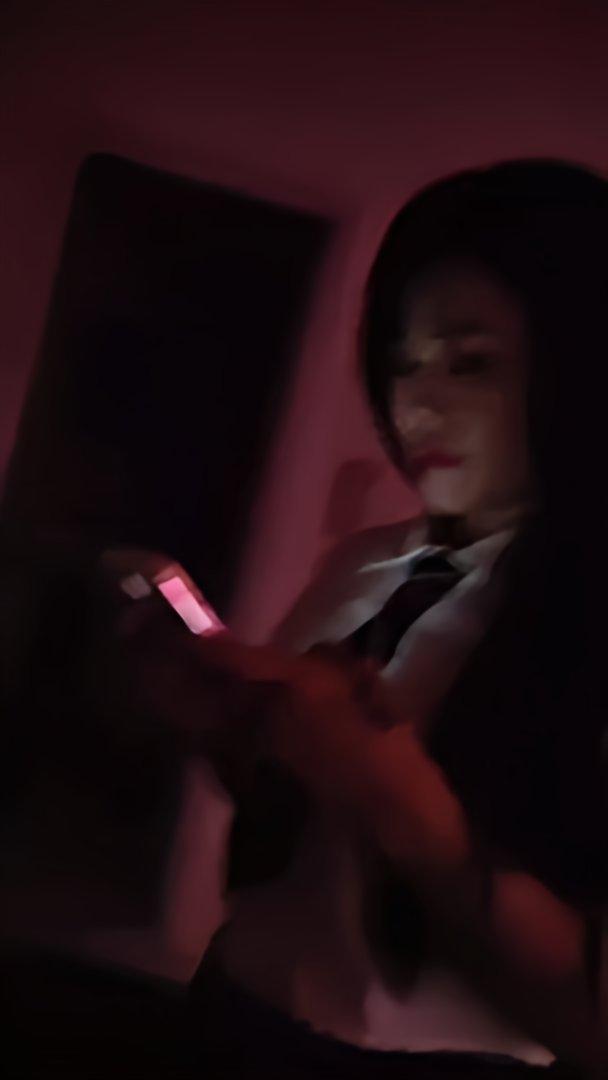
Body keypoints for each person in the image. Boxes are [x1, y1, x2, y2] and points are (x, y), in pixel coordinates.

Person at [184, 159, 608, 1078]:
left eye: (471, 363)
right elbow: (293, 822)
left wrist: (402, 803)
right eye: (402, 362)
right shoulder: (366, 564)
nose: (417, 401)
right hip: (239, 1004)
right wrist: (230, 727)